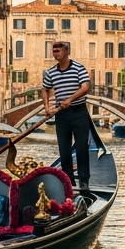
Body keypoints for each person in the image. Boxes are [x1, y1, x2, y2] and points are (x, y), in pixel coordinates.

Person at [42, 41, 93, 194]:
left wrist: (70, 100)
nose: (55, 53)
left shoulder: (78, 68)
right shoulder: (51, 72)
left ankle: (84, 180)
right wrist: (46, 107)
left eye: (58, 51)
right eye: (54, 51)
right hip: (61, 115)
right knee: (64, 149)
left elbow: (85, 87)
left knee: (81, 147)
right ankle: (68, 180)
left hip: (79, 112)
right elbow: (45, 89)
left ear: (66, 51)